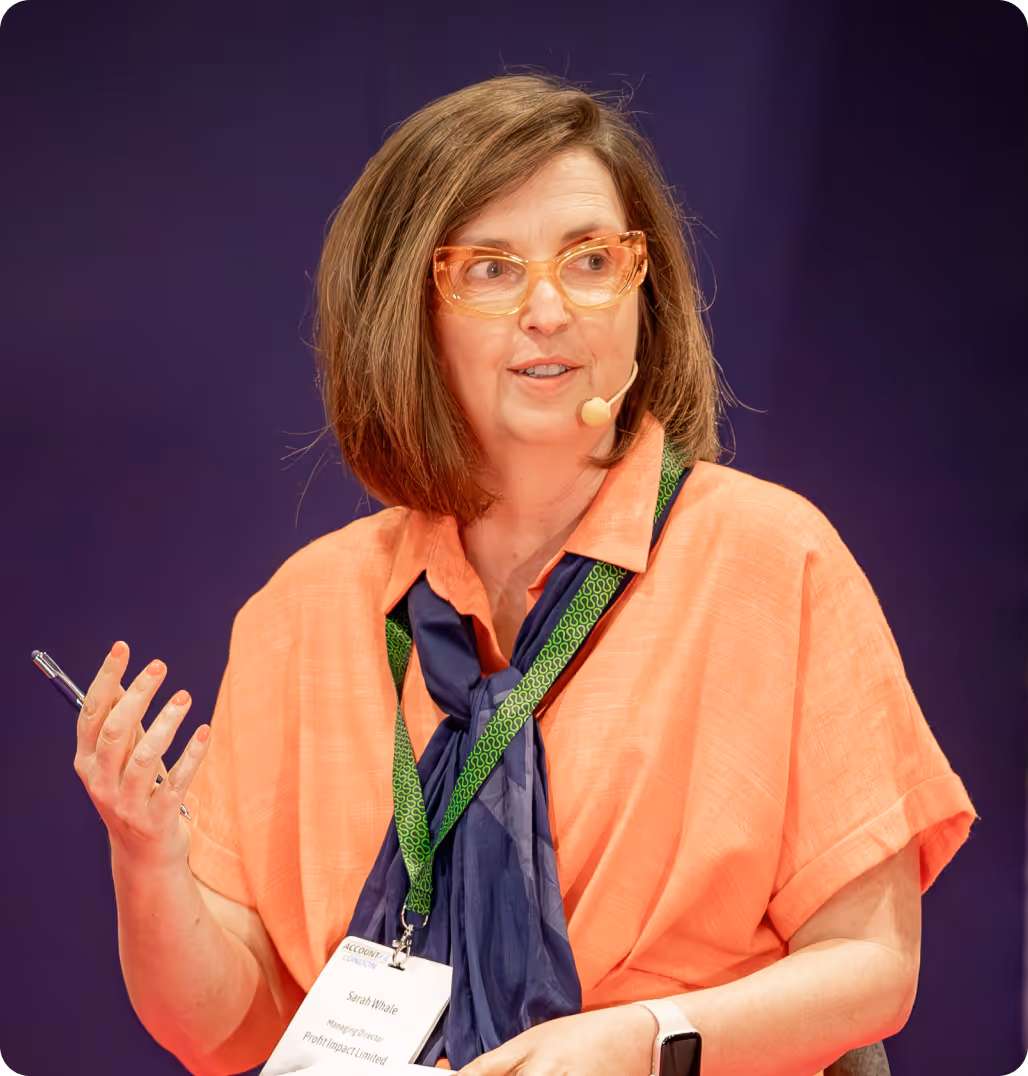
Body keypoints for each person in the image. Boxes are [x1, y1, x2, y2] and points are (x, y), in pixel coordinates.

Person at [72, 74, 976, 1076]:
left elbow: (870, 964)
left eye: (590, 260)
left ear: (644, 288)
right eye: (492, 270)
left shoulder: (771, 560)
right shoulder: (301, 613)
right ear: (405, 309)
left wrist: (640, 1042)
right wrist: (146, 856)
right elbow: (221, 1026)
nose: (549, 308)